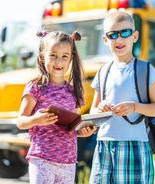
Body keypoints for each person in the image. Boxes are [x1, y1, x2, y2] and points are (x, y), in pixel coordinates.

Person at [89, 11, 155, 184]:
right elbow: (94, 111)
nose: (119, 39)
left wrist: (135, 107)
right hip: (104, 145)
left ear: (135, 36)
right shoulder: (103, 72)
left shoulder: (145, 70)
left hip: (135, 145)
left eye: (125, 33)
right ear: (105, 40)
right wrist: (100, 109)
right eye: (112, 35)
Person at [16, 30, 96, 184]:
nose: (59, 61)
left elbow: (72, 127)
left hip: (68, 162)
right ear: (42, 57)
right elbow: (20, 121)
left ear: (70, 59)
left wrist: (83, 131)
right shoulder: (35, 87)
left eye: (64, 56)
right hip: (42, 160)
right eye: (53, 55)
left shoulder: (74, 91)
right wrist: (36, 119)